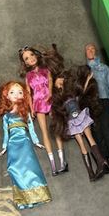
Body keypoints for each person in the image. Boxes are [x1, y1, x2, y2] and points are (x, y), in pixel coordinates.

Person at [0, 81, 52, 210]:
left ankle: (39, 194)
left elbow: (31, 128)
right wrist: (4, 146)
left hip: (25, 142)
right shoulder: (6, 116)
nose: (16, 95)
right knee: (14, 168)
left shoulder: (25, 113)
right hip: (12, 144)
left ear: (24, 95)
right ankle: (24, 198)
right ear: (6, 96)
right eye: (12, 92)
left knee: (31, 166)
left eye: (20, 92)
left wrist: (36, 141)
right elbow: (6, 133)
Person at [19, 45, 68, 176]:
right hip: (38, 102)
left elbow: (50, 82)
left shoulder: (45, 70)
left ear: (36, 55)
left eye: (31, 55)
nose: (30, 59)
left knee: (56, 128)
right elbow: (28, 93)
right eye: (26, 59)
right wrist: (31, 108)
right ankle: (53, 164)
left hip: (49, 100)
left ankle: (62, 161)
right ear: (25, 63)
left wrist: (50, 94)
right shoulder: (28, 76)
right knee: (44, 132)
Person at [85, 43, 109, 168]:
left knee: (108, 128)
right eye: (88, 49)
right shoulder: (84, 70)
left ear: (95, 51)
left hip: (104, 100)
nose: (90, 51)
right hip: (91, 103)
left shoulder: (104, 68)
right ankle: (105, 159)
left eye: (92, 48)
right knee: (97, 131)